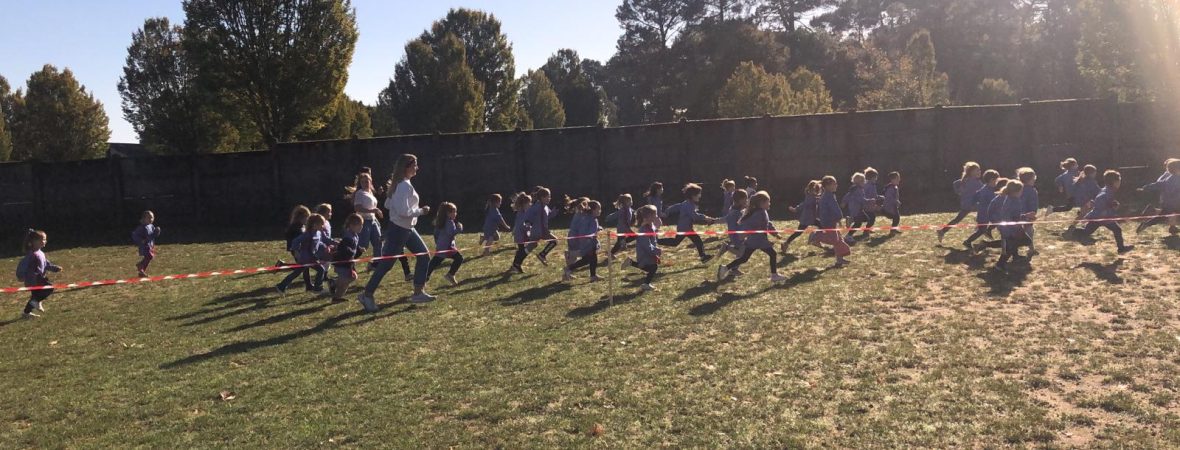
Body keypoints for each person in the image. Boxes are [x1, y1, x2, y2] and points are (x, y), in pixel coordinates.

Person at [359, 154, 437, 311]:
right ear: (406, 167)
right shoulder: (403, 186)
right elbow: (403, 211)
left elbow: (388, 204)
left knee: (423, 255)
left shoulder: (401, 184)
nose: (417, 168)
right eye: (414, 165)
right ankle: (367, 294)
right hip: (399, 229)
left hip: (406, 228)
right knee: (386, 265)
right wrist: (421, 211)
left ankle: (418, 292)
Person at [717, 191, 786, 283]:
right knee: (773, 254)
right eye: (768, 202)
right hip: (758, 240)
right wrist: (744, 234)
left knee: (744, 258)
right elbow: (751, 224)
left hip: (754, 240)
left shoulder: (761, 212)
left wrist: (775, 233)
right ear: (761, 203)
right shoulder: (759, 213)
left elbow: (767, 224)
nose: (769, 203)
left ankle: (725, 268)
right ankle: (774, 275)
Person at [657, 183, 718, 263]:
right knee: (685, 241)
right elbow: (694, 216)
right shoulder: (689, 205)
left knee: (683, 242)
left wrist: (667, 211)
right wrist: (706, 218)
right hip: (685, 228)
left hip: (685, 227)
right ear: (693, 195)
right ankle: (657, 241)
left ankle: (703, 256)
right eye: (698, 194)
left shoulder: (687, 203)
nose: (700, 196)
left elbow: (676, 206)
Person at [1078, 170, 1134, 254]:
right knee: (1116, 230)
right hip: (1101, 217)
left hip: (1102, 217)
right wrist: (1105, 211)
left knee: (1088, 231)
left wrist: (1112, 204)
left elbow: (1105, 203)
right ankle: (1075, 233)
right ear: (1114, 182)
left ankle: (1121, 249)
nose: (1120, 183)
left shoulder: (1108, 190)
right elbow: (1099, 204)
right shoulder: (1106, 192)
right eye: (1119, 181)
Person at [277, 214, 329, 295]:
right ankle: (317, 288)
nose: (323, 226)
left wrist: (330, 244)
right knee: (321, 269)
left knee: (297, 272)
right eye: (321, 224)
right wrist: (296, 251)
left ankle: (281, 286)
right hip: (306, 258)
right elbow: (295, 241)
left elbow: (322, 241)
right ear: (314, 225)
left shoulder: (319, 233)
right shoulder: (307, 234)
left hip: (311, 257)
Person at [16, 229, 62, 319]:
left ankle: (26, 313)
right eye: (43, 239)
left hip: (38, 278)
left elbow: (46, 264)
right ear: (35, 241)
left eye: (45, 239)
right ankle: (36, 302)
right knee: (49, 288)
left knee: (35, 296)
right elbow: (22, 265)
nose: (45, 241)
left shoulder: (41, 253)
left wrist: (55, 268)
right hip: (34, 279)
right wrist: (20, 276)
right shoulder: (32, 254)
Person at [938, 162, 984, 243]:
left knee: (957, 219)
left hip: (967, 204)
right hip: (970, 204)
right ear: (971, 172)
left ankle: (942, 231)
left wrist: (959, 191)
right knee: (985, 210)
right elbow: (984, 190)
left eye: (979, 170)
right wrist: (959, 192)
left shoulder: (968, 180)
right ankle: (981, 227)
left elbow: (955, 183)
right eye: (977, 170)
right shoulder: (974, 182)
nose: (979, 172)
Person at [622, 205, 663, 291]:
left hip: (649, 252)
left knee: (650, 267)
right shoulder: (644, 230)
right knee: (653, 267)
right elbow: (646, 245)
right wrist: (656, 251)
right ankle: (646, 284)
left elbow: (653, 238)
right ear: (648, 217)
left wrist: (658, 226)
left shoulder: (650, 226)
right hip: (645, 253)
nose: (656, 216)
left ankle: (631, 263)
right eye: (655, 214)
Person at [563, 200, 604, 282]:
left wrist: (597, 229)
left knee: (588, 260)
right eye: (598, 209)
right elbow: (584, 231)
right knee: (590, 259)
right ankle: (591, 275)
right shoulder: (589, 219)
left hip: (589, 243)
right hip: (588, 244)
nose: (600, 210)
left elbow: (590, 229)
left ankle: (591, 275)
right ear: (593, 210)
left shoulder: (591, 218)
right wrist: (589, 238)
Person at [1136, 158, 1180, 234]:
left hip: (1168, 203)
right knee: (1162, 217)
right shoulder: (1174, 179)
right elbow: (1159, 185)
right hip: (1173, 204)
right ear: (1177, 169)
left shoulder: (1169, 179)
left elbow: (1157, 184)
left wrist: (1145, 188)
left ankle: (1146, 224)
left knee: (1160, 217)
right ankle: (1151, 214)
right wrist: (1145, 188)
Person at [816, 176, 852, 267]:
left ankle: (839, 260)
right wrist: (839, 217)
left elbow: (834, 208)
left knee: (838, 240)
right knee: (835, 240)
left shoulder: (830, 195)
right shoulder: (827, 196)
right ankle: (815, 236)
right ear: (827, 186)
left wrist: (838, 219)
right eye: (834, 184)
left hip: (832, 221)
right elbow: (832, 209)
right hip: (828, 221)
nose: (836, 185)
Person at [428, 202, 464, 286]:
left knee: (435, 262)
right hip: (447, 247)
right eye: (454, 212)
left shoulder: (441, 221)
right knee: (459, 258)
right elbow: (451, 233)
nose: (456, 214)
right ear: (448, 213)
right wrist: (459, 228)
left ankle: (425, 276)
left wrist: (438, 242)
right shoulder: (449, 222)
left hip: (442, 246)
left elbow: (436, 234)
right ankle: (450, 275)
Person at [331, 214, 365, 303]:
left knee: (350, 278)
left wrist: (359, 250)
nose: (361, 227)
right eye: (359, 225)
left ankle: (336, 291)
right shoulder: (348, 237)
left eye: (362, 224)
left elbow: (353, 250)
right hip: (342, 263)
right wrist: (352, 252)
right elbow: (345, 249)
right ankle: (336, 293)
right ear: (351, 225)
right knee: (346, 280)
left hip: (349, 263)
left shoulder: (355, 236)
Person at [783, 180, 821, 252]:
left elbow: (804, 204)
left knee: (822, 227)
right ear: (810, 189)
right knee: (798, 232)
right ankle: (786, 243)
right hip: (806, 219)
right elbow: (804, 204)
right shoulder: (811, 198)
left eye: (816, 190)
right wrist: (795, 209)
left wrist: (796, 209)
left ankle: (816, 239)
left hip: (811, 218)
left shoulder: (812, 197)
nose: (815, 191)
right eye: (813, 190)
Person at [508, 192, 534, 273]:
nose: (531, 204)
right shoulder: (523, 213)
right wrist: (528, 228)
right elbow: (522, 225)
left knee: (521, 250)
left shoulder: (522, 212)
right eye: (529, 203)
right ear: (525, 204)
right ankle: (516, 265)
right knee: (522, 250)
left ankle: (515, 265)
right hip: (521, 235)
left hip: (520, 234)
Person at [132, 210, 162, 277]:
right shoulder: (142, 227)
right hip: (144, 245)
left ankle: (141, 271)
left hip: (150, 245)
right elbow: (134, 235)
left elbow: (153, 235)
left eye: (152, 217)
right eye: (149, 217)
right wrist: (140, 240)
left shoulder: (151, 226)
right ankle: (140, 266)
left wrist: (157, 232)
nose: (151, 219)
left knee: (149, 257)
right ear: (144, 218)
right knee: (149, 256)